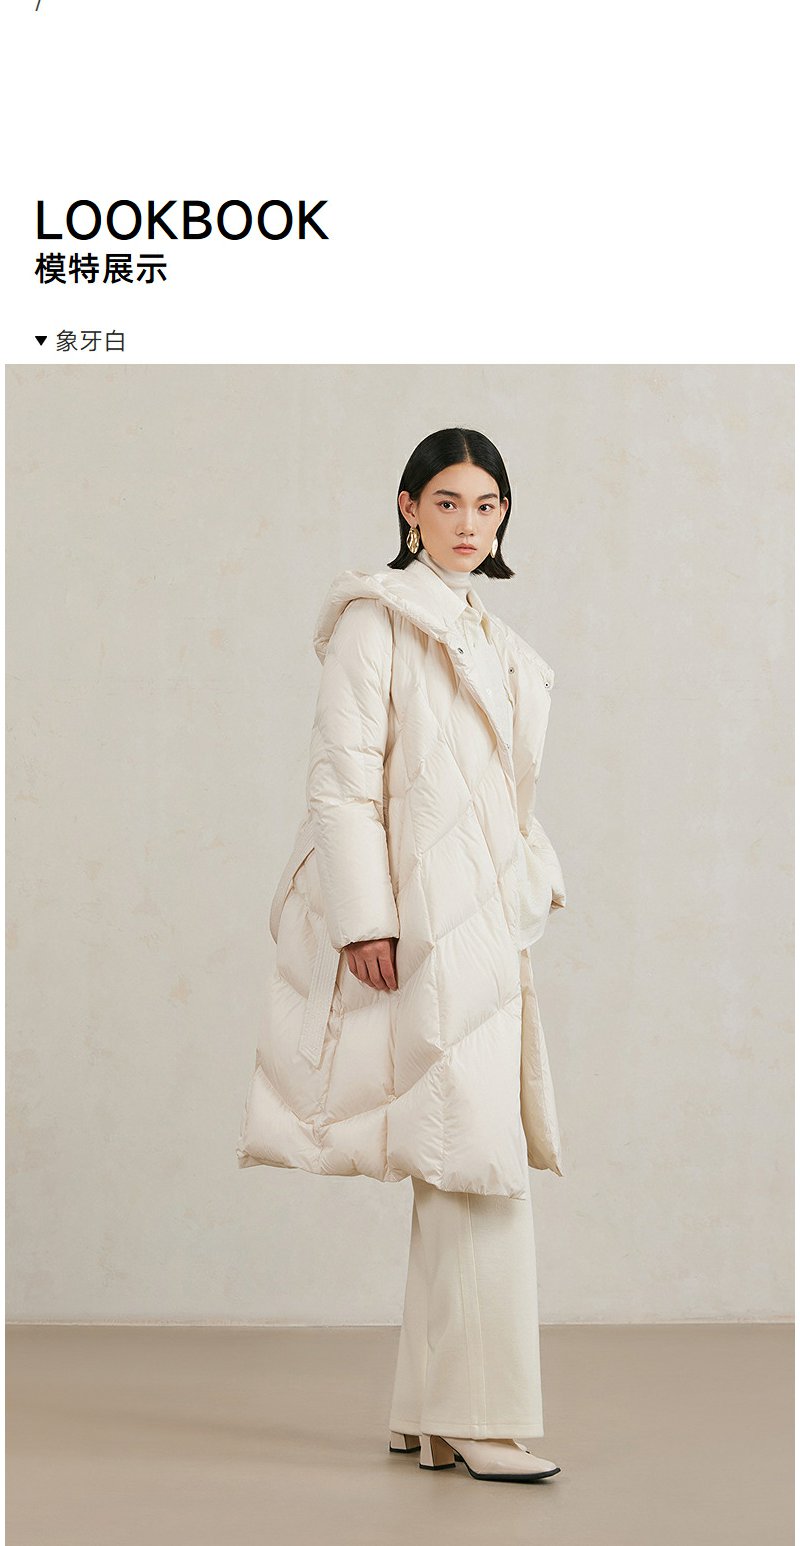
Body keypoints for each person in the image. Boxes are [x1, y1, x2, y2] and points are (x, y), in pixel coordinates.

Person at [237, 426, 567, 1485]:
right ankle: (477, 1418)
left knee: (463, 1147)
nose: (469, 523)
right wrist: (362, 918)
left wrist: (534, 875)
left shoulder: (489, 634)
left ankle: (432, 1409)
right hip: (421, 924)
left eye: (487, 504)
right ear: (407, 507)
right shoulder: (376, 620)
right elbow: (341, 780)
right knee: (471, 1156)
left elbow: (500, 792)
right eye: (448, 502)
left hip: (486, 924)